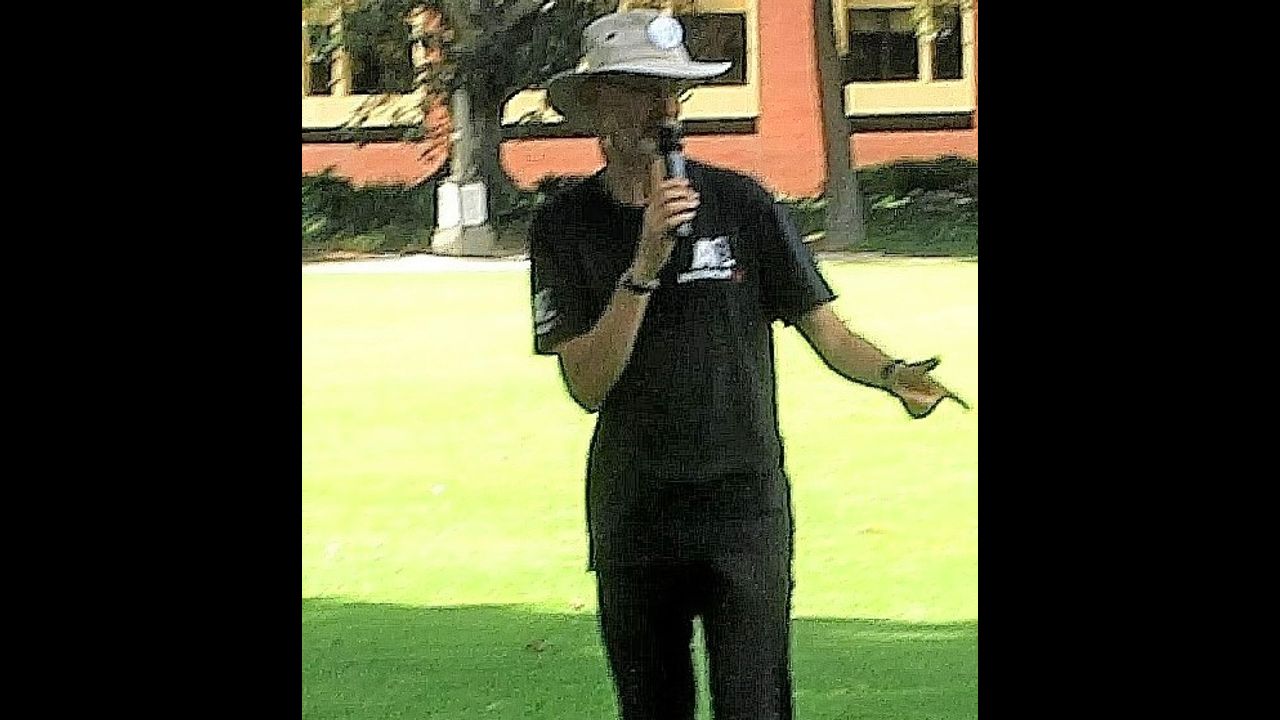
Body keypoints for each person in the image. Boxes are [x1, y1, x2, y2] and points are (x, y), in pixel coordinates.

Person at [529, 9, 968, 719]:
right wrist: (643, 265)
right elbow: (587, 385)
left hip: (742, 509)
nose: (664, 109)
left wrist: (892, 374)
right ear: (598, 103)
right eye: (643, 90)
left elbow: (824, 328)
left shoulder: (742, 205)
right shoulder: (564, 226)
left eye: (672, 91)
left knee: (756, 705)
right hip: (636, 513)